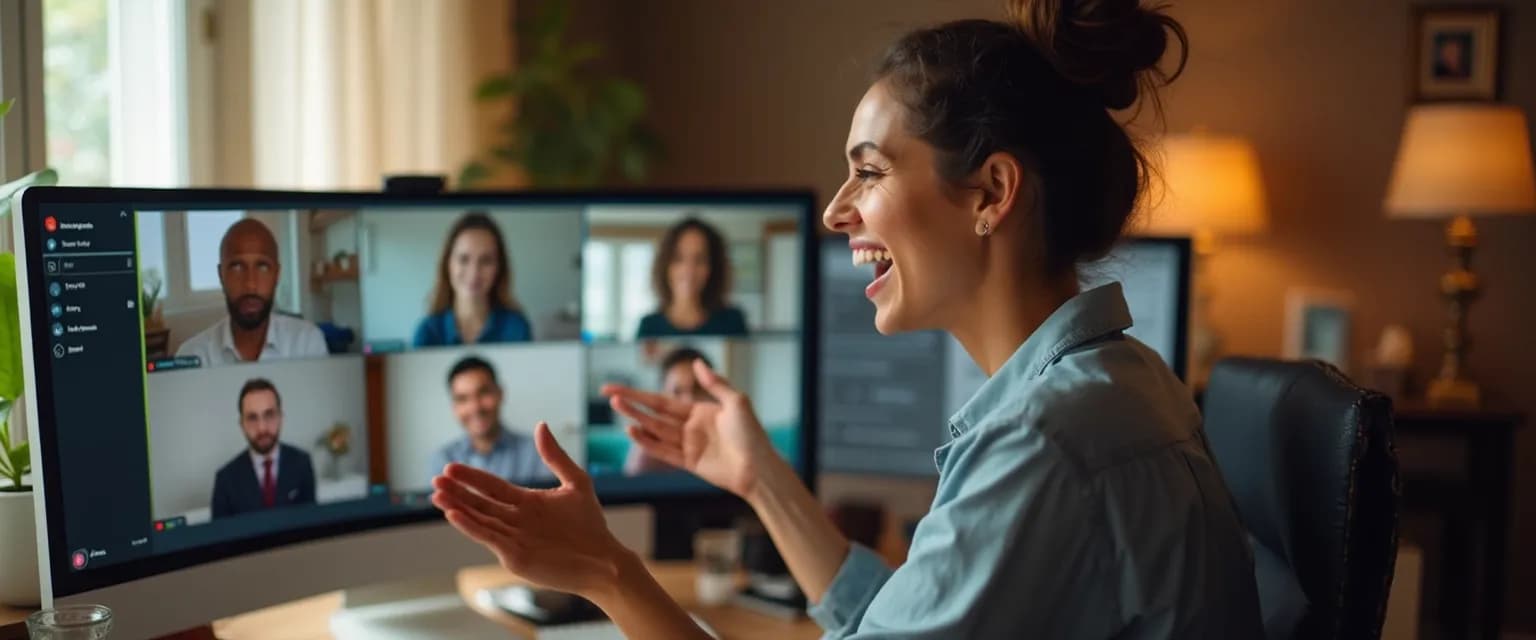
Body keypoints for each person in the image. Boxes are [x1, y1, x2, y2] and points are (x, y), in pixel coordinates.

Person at [429, 0, 1264, 637]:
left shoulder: (1045, 442)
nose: (837, 212)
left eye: (868, 173)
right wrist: (760, 479)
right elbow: (903, 616)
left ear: (992, 194)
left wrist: (608, 572)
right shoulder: (1121, 381)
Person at [177, 218, 328, 366]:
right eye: (237, 267)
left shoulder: (307, 345)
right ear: (221, 275)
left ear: (277, 274)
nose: (250, 284)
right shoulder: (193, 356)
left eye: (262, 267)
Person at [413, 212, 533, 347]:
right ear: (448, 264)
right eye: (463, 259)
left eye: (486, 261)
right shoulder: (428, 332)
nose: (474, 272)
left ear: (499, 268)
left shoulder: (516, 329)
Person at [429, 356, 553, 484]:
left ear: (500, 394)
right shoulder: (443, 459)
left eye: (483, 393)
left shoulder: (536, 452)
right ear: (454, 407)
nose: (475, 407)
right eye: (462, 399)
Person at [211, 379, 317, 518]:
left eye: (269, 415)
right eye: (252, 418)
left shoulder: (302, 463)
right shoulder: (225, 479)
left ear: (280, 417)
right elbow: (221, 535)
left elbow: (312, 525)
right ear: (242, 424)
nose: (262, 428)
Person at [634, 217, 748, 338]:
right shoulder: (649, 327)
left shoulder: (732, 323)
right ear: (665, 265)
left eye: (699, 259)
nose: (689, 270)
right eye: (678, 258)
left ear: (713, 268)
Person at [622, 347, 712, 476]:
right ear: (662, 397)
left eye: (698, 389)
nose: (689, 401)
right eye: (677, 391)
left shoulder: (727, 440)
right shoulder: (650, 444)